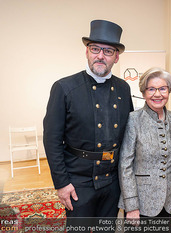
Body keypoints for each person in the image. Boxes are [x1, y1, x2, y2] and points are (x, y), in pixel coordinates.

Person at [43, 19, 133, 232]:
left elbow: (128, 135)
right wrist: (62, 184)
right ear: (87, 51)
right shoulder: (64, 88)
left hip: (112, 182)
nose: (100, 55)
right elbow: (52, 140)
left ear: (116, 57)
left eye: (108, 51)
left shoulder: (123, 89)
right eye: (95, 49)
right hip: (78, 183)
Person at [118, 67, 171, 233]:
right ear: (144, 92)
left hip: (169, 201)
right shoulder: (134, 119)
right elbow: (125, 165)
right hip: (141, 203)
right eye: (151, 89)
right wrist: (131, 206)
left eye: (162, 89)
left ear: (169, 91)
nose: (157, 94)